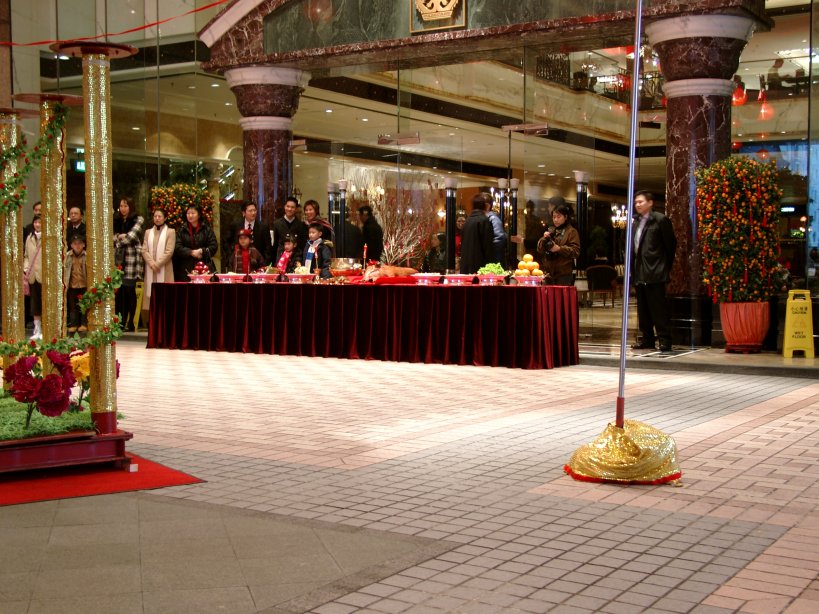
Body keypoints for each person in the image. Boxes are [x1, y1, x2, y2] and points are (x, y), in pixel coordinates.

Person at [631, 190, 677, 353]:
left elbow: (670, 245)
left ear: (650, 203)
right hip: (640, 271)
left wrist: (663, 266)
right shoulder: (636, 222)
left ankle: (665, 340)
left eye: (641, 202)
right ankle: (647, 339)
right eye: (636, 202)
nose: (637, 205)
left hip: (655, 271)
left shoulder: (660, 220)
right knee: (643, 310)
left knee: (658, 309)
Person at [114, 196, 145, 332]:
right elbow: (112, 237)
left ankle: (132, 323)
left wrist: (119, 238)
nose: (123, 209)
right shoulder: (117, 219)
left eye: (126, 206)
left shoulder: (138, 219)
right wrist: (119, 237)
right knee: (120, 294)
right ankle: (120, 323)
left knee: (130, 292)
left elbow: (131, 237)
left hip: (132, 260)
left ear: (131, 207)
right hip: (119, 260)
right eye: (121, 206)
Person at [141, 208, 176, 322]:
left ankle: (165, 322)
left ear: (165, 218)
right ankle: (153, 322)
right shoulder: (148, 232)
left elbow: (169, 251)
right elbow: (144, 250)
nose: (157, 218)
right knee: (151, 296)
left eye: (160, 216)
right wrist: (152, 264)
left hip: (164, 269)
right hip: (151, 268)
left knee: (165, 297)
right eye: (155, 216)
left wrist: (158, 264)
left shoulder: (170, 232)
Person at [536, 203, 581, 286]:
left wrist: (559, 249)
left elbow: (576, 252)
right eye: (554, 217)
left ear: (566, 217)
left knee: (561, 295)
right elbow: (539, 249)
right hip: (548, 274)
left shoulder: (571, 231)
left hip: (564, 274)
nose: (556, 219)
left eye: (558, 217)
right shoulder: (551, 230)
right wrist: (544, 239)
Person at [174, 205, 218, 281]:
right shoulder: (181, 230)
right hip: (185, 268)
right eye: (188, 213)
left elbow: (214, 246)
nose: (190, 215)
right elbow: (177, 246)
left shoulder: (206, 229)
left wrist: (201, 251)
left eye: (193, 213)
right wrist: (190, 252)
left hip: (204, 266)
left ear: (199, 215)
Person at [459, 194, 494, 274]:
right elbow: (488, 246)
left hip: (465, 265)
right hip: (479, 267)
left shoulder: (467, 221)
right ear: (485, 206)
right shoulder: (484, 221)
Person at [23, 215, 43, 340]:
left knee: (45, 302)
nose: (37, 224)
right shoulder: (29, 238)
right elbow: (26, 255)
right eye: (36, 222)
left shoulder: (48, 238)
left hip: (44, 275)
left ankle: (46, 328)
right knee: (35, 303)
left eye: (40, 222)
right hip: (32, 276)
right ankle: (37, 329)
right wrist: (26, 268)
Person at [63, 234, 87, 334]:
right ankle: (73, 324)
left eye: (79, 244)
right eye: (75, 244)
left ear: (83, 245)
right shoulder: (67, 256)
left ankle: (84, 324)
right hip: (72, 285)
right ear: (71, 245)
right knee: (72, 306)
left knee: (84, 305)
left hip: (84, 285)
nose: (77, 246)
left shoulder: (87, 256)